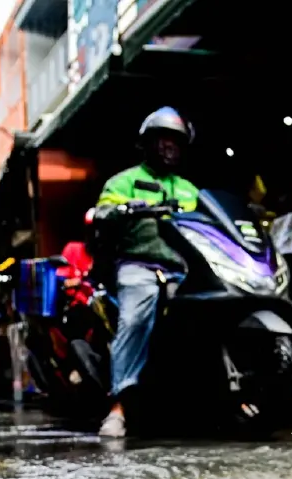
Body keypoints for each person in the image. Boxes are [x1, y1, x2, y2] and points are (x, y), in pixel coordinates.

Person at [92, 107, 199, 439]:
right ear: (147, 144)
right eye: (163, 141)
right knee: (136, 319)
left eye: (176, 143)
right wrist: (122, 209)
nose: (170, 148)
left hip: (181, 270)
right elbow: (104, 210)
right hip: (138, 266)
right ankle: (118, 407)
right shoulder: (124, 181)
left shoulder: (188, 189)